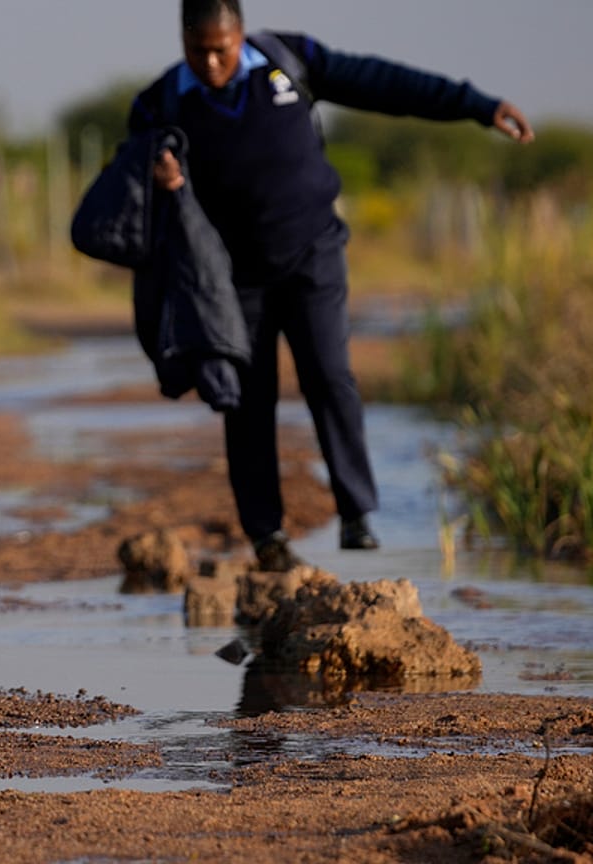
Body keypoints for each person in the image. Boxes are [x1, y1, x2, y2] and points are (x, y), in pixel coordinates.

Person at [130, 0, 534, 570]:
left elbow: (386, 84)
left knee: (329, 373)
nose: (212, 62)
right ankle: (267, 536)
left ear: (240, 34)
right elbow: (131, 192)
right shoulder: (160, 103)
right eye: (199, 51)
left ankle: (357, 512)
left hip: (311, 255)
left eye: (222, 48)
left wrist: (476, 105)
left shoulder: (289, 58)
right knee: (246, 400)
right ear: (183, 40)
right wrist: (159, 176)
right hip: (229, 278)